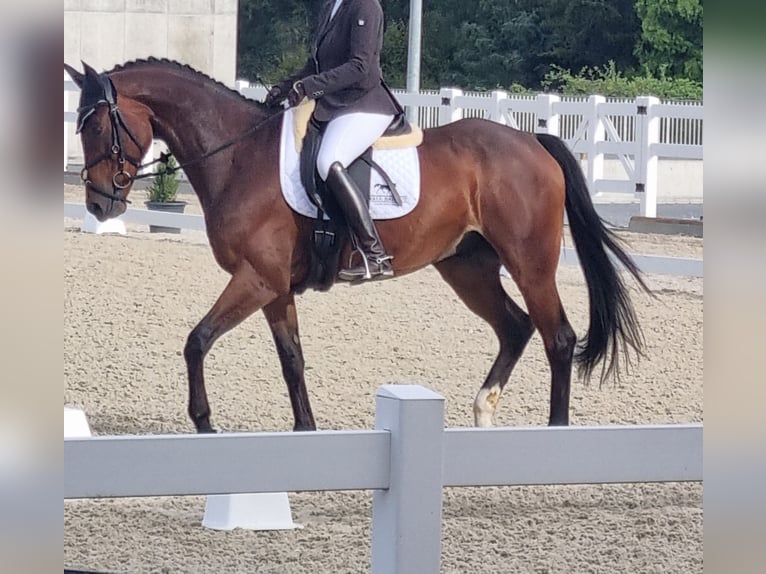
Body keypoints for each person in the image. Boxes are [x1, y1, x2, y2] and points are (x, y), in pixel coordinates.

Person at [265, 0, 401, 282]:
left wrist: (311, 87)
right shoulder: (332, 6)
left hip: (364, 103)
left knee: (329, 160)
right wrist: (288, 86)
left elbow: (360, 66)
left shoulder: (366, 6)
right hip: (335, 105)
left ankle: (374, 253)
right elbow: (314, 64)